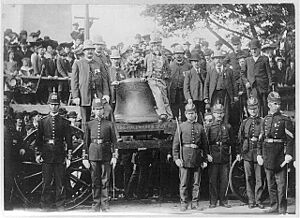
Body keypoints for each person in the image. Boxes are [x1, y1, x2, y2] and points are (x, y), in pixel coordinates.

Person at [257, 92, 294, 214]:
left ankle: (282, 208)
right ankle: (273, 206)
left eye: (279, 103)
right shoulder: (265, 120)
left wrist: (288, 154)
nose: (277, 106)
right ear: (268, 104)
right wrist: (259, 154)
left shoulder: (285, 119)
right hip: (267, 154)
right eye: (274, 103)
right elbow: (260, 139)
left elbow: (290, 139)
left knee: (281, 185)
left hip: (280, 156)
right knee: (270, 183)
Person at [35, 92, 73, 210]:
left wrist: (69, 157)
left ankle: (60, 205)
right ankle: (45, 205)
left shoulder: (65, 122)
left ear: (59, 105)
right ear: (48, 105)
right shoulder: (42, 122)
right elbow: (38, 140)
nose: (54, 107)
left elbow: (69, 142)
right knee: (46, 182)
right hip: (47, 155)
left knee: (59, 182)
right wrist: (38, 154)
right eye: (52, 104)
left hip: (60, 155)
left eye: (56, 104)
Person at [82, 98, 118, 212]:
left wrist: (114, 156)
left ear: (103, 110)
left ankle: (105, 204)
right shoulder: (89, 124)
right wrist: (85, 157)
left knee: (105, 180)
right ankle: (96, 204)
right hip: (93, 154)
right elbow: (86, 142)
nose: (98, 111)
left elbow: (114, 142)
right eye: (96, 109)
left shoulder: (109, 124)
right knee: (95, 180)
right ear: (93, 110)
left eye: (100, 109)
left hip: (106, 154)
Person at [172, 103, 208, 211]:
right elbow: (176, 145)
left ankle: (195, 202)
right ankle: (183, 202)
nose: (191, 115)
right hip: (184, 158)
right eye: (189, 113)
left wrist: (205, 159)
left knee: (196, 182)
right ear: (185, 114)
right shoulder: (181, 127)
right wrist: (176, 158)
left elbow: (204, 145)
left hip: (197, 158)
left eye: (192, 113)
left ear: (195, 114)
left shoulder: (200, 127)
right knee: (184, 183)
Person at [71, 40, 110, 129]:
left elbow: (104, 80)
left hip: (98, 95)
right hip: (84, 95)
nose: (90, 52)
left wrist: (106, 94)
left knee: (106, 112)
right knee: (85, 120)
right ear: (84, 52)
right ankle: (86, 140)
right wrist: (75, 96)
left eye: (91, 49)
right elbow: (74, 81)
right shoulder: (78, 63)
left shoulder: (99, 64)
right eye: (87, 50)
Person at [236, 97, 265, 209]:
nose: (253, 110)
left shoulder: (262, 121)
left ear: (258, 108)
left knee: (259, 178)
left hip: (258, 153)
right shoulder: (244, 123)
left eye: (255, 108)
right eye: (250, 108)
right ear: (247, 109)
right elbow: (240, 139)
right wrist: (239, 153)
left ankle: (258, 200)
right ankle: (251, 201)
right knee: (248, 177)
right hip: (247, 153)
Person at [206, 103, 233, 208]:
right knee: (213, 180)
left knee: (224, 180)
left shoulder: (228, 126)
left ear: (224, 114)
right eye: (217, 113)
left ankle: (223, 200)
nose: (219, 115)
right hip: (213, 156)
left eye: (221, 113)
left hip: (225, 156)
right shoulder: (209, 127)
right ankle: (213, 201)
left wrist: (234, 155)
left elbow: (232, 142)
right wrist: (207, 154)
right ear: (213, 114)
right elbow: (206, 143)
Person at [204, 50, 238, 124]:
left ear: (223, 60)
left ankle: (225, 128)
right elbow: (206, 84)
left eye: (220, 58)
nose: (218, 60)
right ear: (213, 60)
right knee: (215, 111)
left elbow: (234, 83)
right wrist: (206, 97)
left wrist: (235, 95)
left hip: (226, 94)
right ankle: (215, 128)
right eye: (216, 58)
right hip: (215, 94)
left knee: (226, 112)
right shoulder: (211, 71)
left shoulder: (229, 71)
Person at [144, 34, 173, 121]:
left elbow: (168, 69)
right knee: (158, 94)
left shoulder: (164, 58)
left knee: (164, 97)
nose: (156, 47)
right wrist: (146, 76)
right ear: (151, 47)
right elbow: (144, 68)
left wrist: (166, 76)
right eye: (154, 45)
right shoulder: (148, 57)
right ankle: (162, 113)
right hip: (152, 79)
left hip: (161, 79)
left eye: (158, 45)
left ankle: (169, 115)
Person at [244, 39, 272, 117]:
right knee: (254, 104)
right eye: (252, 49)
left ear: (259, 49)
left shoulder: (264, 59)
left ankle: (265, 120)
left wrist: (270, 84)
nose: (253, 51)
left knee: (264, 105)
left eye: (255, 49)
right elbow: (242, 73)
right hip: (252, 87)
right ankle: (255, 122)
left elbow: (268, 73)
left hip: (263, 85)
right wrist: (246, 82)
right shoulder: (247, 60)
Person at [169, 45, 192, 122]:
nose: (179, 55)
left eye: (181, 53)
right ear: (174, 55)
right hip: (173, 93)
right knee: (174, 113)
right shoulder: (170, 66)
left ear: (183, 54)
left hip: (183, 93)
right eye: (177, 53)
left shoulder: (188, 66)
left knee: (184, 112)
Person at [184, 52, 206, 124]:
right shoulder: (189, 73)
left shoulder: (204, 72)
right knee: (192, 115)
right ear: (192, 63)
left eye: (198, 61)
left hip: (202, 98)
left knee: (201, 115)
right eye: (194, 62)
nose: (196, 63)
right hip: (193, 98)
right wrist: (189, 98)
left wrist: (206, 97)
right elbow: (186, 87)